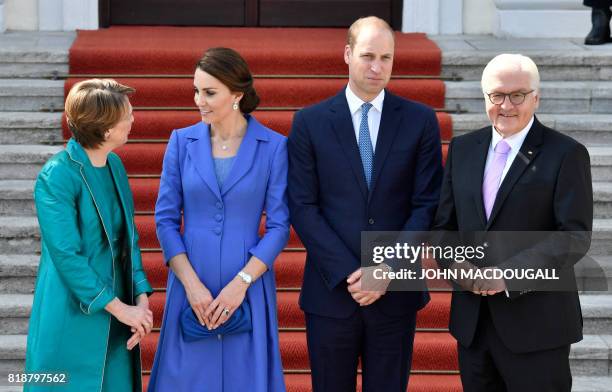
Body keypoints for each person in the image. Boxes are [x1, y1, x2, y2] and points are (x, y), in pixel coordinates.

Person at [287, 16, 443, 392]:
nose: (377, 67)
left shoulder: (420, 120)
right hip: (332, 292)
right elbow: (303, 206)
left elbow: (426, 204)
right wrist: (350, 273)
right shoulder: (310, 122)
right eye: (368, 56)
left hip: (395, 295)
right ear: (347, 54)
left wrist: (386, 269)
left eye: (386, 58)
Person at [433, 54, 593, 391]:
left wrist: (508, 275)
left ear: (536, 97)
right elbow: (444, 227)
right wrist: (457, 267)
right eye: (497, 95)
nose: (506, 105)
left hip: (537, 327)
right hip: (473, 325)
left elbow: (573, 236)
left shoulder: (566, 153)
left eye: (517, 95)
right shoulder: (462, 149)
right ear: (485, 98)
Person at [148, 47, 289, 392]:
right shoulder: (181, 142)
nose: (199, 101)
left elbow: (279, 226)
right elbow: (165, 221)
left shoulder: (273, 146)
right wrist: (192, 287)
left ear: (237, 94)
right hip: (190, 281)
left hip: (247, 286)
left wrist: (241, 283)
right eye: (196, 90)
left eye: (210, 92)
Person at [25, 79, 154, 392]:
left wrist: (140, 300)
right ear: (106, 129)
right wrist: (122, 309)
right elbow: (67, 256)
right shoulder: (57, 175)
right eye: (128, 115)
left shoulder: (115, 165)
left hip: (119, 316)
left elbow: (130, 239)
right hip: (73, 316)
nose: (134, 119)